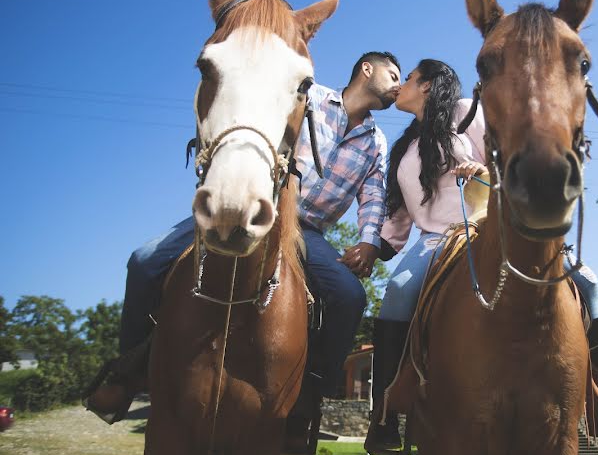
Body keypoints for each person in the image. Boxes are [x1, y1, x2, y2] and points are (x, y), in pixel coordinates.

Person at [83, 51, 402, 424]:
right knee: (144, 260)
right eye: (393, 74)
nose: (399, 85)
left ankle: (309, 398)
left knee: (350, 296)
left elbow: (374, 195)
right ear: (367, 69)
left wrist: (367, 242)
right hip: (255, 206)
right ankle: (127, 373)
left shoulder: (377, 141)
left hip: (308, 232)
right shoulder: (310, 98)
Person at [363, 59, 598, 454]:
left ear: (427, 85)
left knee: (590, 282)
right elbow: (398, 214)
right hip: (434, 241)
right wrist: (373, 248)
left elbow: (504, 158)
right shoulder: (404, 147)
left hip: (491, 226)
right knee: (396, 289)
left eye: (407, 78)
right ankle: (385, 416)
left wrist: (479, 168)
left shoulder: (464, 113)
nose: (400, 86)